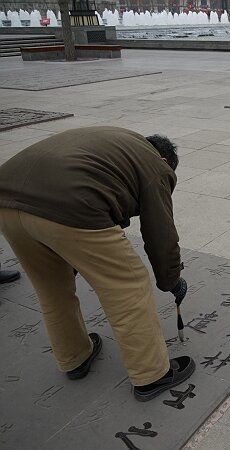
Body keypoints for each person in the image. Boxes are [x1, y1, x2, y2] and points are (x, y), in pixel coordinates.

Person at [0, 126, 195, 401]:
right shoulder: (155, 165)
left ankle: (75, 358)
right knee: (128, 285)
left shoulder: (118, 142)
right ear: (164, 161)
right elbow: (160, 233)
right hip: (72, 202)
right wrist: (171, 280)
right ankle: (152, 375)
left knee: (52, 288)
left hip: (6, 201)